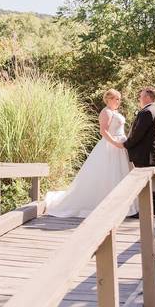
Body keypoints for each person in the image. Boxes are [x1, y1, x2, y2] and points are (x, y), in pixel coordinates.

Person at [44, 89, 137, 218]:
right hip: (111, 146)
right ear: (108, 99)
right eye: (116, 99)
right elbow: (103, 131)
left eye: (119, 99)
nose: (118, 101)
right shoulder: (106, 112)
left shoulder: (114, 112)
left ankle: (121, 203)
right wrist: (115, 143)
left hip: (121, 147)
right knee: (108, 174)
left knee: (119, 174)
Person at [122, 87, 155, 215]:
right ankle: (152, 210)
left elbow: (138, 134)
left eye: (141, 96)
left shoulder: (147, 112)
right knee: (149, 183)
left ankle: (146, 212)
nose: (139, 99)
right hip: (150, 153)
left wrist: (126, 144)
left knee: (143, 184)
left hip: (144, 154)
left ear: (147, 97)